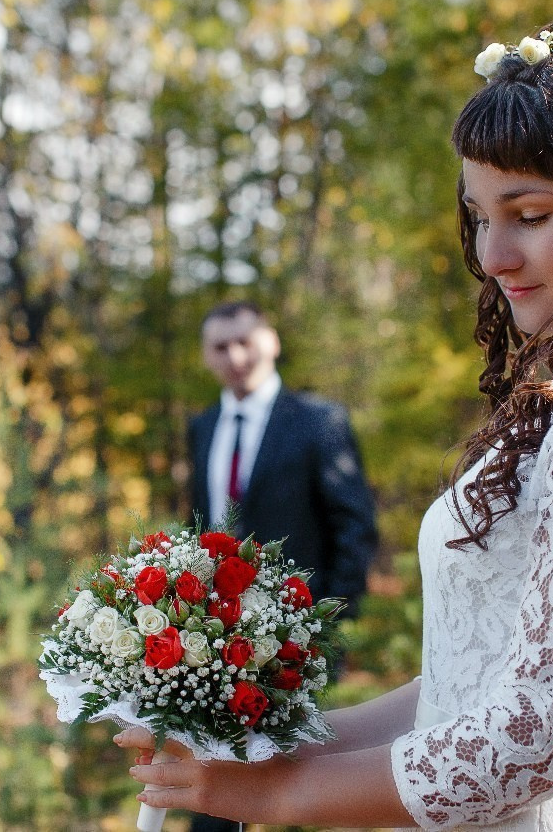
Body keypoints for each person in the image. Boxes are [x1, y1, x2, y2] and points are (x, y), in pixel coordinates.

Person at [118, 11, 553, 830]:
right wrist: (259, 744)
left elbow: (530, 743)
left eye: (529, 214)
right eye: (481, 215)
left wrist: (273, 796)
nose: (493, 255)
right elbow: (469, 685)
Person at [185, 301, 381, 832]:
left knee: (291, 794)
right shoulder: (202, 427)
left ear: (271, 340)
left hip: (294, 644)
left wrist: (327, 631)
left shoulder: (319, 422)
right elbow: (197, 531)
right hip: (210, 648)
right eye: (220, 346)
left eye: (245, 340)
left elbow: (355, 528)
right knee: (213, 793)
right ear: (207, 356)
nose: (235, 355)